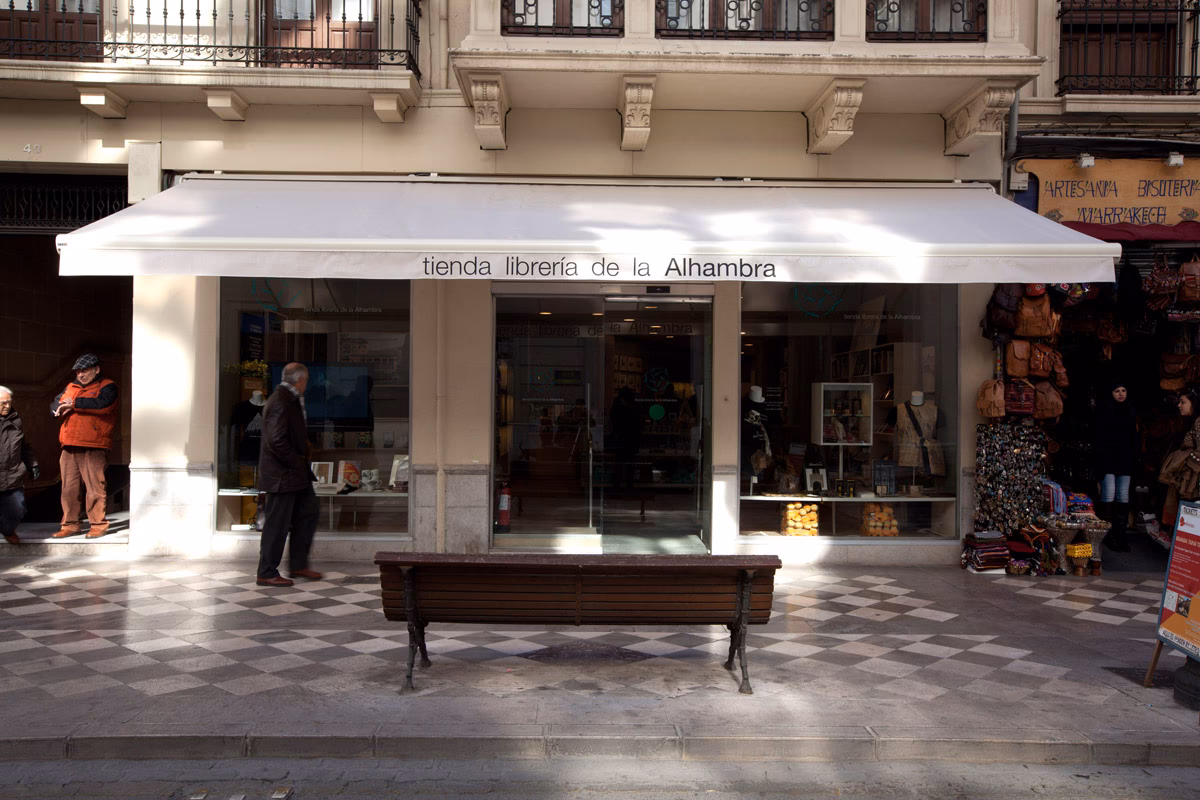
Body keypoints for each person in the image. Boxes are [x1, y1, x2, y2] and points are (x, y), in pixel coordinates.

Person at [256, 362, 322, 588]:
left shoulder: (289, 399)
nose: (307, 384)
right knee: (277, 524)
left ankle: (298, 564)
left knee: (308, 512)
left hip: (296, 474)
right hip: (283, 475)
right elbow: (275, 440)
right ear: (301, 380)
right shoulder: (281, 401)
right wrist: (295, 460)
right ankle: (266, 572)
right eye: (306, 380)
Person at [50, 354, 118, 539]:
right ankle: (70, 524)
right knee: (68, 488)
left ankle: (98, 524)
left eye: (85, 370)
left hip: (94, 443)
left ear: (96, 369)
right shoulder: (70, 387)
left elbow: (103, 404)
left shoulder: (107, 386)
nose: (81, 374)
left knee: (95, 486)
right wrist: (57, 409)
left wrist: (74, 404)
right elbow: (55, 403)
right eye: (78, 371)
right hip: (69, 443)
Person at [1094, 380, 1137, 554]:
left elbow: (1134, 438)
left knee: (1123, 497)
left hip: (1124, 460)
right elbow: (1099, 438)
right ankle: (1108, 536)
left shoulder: (1130, 411)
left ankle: (1121, 536)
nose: (1121, 394)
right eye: (1117, 390)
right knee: (1109, 494)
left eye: (1124, 390)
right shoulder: (1104, 411)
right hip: (1108, 460)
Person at [0, 387, 39, 545]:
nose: (7, 406)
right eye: (3, 403)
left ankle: (7, 530)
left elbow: (24, 447)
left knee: (18, 510)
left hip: (13, 476)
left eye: (9, 403)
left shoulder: (16, 421)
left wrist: (33, 465)